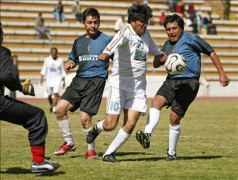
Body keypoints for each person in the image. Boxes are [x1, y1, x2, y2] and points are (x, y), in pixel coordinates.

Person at [135, 14, 229, 161]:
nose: (171, 32)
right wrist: (160, 59)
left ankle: (171, 153)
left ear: (181, 28)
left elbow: (211, 52)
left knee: (174, 117)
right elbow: (155, 64)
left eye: (174, 28)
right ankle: (147, 134)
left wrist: (222, 73)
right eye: (168, 29)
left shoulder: (192, 39)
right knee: (156, 102)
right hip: (171, 81)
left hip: (189, 82)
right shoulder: (166, 45)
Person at [86, 4, 166, 162]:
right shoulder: (126, 32)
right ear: (133, 21)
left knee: (131, 123)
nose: (145, 24)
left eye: (147, 21)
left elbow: (156, 51)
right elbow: (115, 43)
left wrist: (163, 57)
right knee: (110, 125)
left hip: (138, 89)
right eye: (142, 21)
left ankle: (109, 153)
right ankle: (97, 127)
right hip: (119, 86)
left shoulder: (147, 35)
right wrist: (106, 52)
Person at [0, 24, 60, 173]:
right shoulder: (3, 52)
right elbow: (5, 76)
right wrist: (20, 87)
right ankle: (39, 161)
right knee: (36, 116)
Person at [53, 8, 112, 159]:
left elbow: (118, 60)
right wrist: (70, 64)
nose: (93, 26)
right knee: (59, 109)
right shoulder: (78, 42)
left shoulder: (107, 40)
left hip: (96, 80)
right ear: (83, 23)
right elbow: (73, 59)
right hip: (79, 80)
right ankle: (69, 142)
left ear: (99, 22)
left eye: (96, 22)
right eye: (89, 23)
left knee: (85, 118)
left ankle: (91, 150)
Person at [40, 47, 66, 113]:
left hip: (57, 79)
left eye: (55, 52)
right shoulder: (47, 60)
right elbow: (44, 69)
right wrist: (42, 78)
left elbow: (62, 71)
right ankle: (52, 105)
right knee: (49, 95)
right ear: (51, 53)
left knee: (56, 94)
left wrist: (63, 80)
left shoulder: (60, 60)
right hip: (49, 79)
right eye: (52, 52)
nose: (54, 54)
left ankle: (54, 108)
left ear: (57, 53)